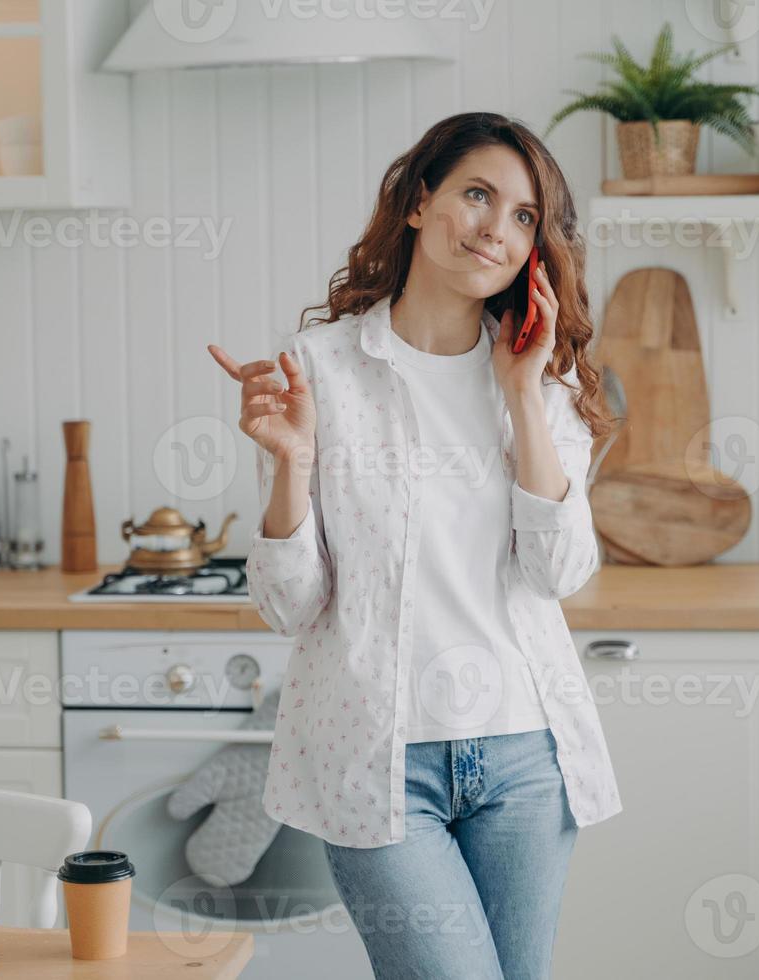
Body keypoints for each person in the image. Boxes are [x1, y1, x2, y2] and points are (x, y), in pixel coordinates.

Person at [208, 111, 623, 980]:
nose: (495, 228)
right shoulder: (319, 368)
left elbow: (560, 572)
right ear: (418, 201)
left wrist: (520, 394)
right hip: (377, 757)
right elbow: (292, 604)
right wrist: (291, 465)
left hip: (525, 755)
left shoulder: (544, 380)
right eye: (478, 194)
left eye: (522, 217)